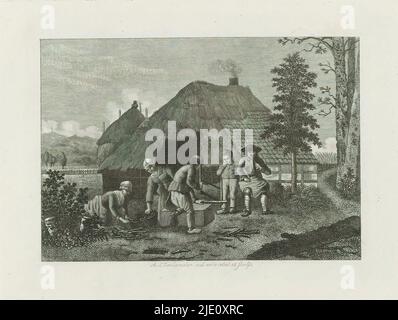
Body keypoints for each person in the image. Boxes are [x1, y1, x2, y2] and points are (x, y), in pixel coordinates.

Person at [168, 156, 202, 234]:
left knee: (183, 207)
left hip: (174, 190)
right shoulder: (191, 168)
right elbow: (189, 182)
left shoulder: (186, 167)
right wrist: (197, 187)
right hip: (179, 191)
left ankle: (173, 214)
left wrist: (194, 197)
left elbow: (188, 185)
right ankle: (191, 229)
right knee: (190, 210)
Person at [237, 145, 273, 217]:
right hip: (248, 179)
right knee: (247, 191)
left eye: (253, 151)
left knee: (264, 191)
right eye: (249, 152)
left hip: (258, 179)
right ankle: (247, 210)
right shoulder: (243, 160)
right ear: (246, 153)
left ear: (256, 152)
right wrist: (244, 177)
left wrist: (261, 169)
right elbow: (238, 170)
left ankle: (265, 210)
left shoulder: (259, 160)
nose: (251, 153)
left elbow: (268, 172)